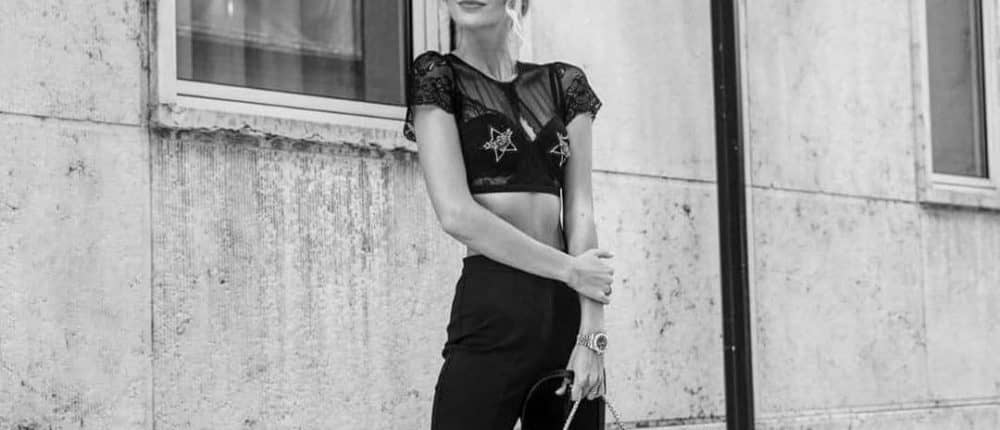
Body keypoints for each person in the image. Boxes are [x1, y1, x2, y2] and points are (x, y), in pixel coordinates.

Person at [402, 0, 613, 428]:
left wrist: (592, 336)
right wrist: (571, 270)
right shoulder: (439, 77)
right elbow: (456, 214)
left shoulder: (564, 84)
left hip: (565, 315)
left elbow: (580, 210)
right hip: (494, 307)